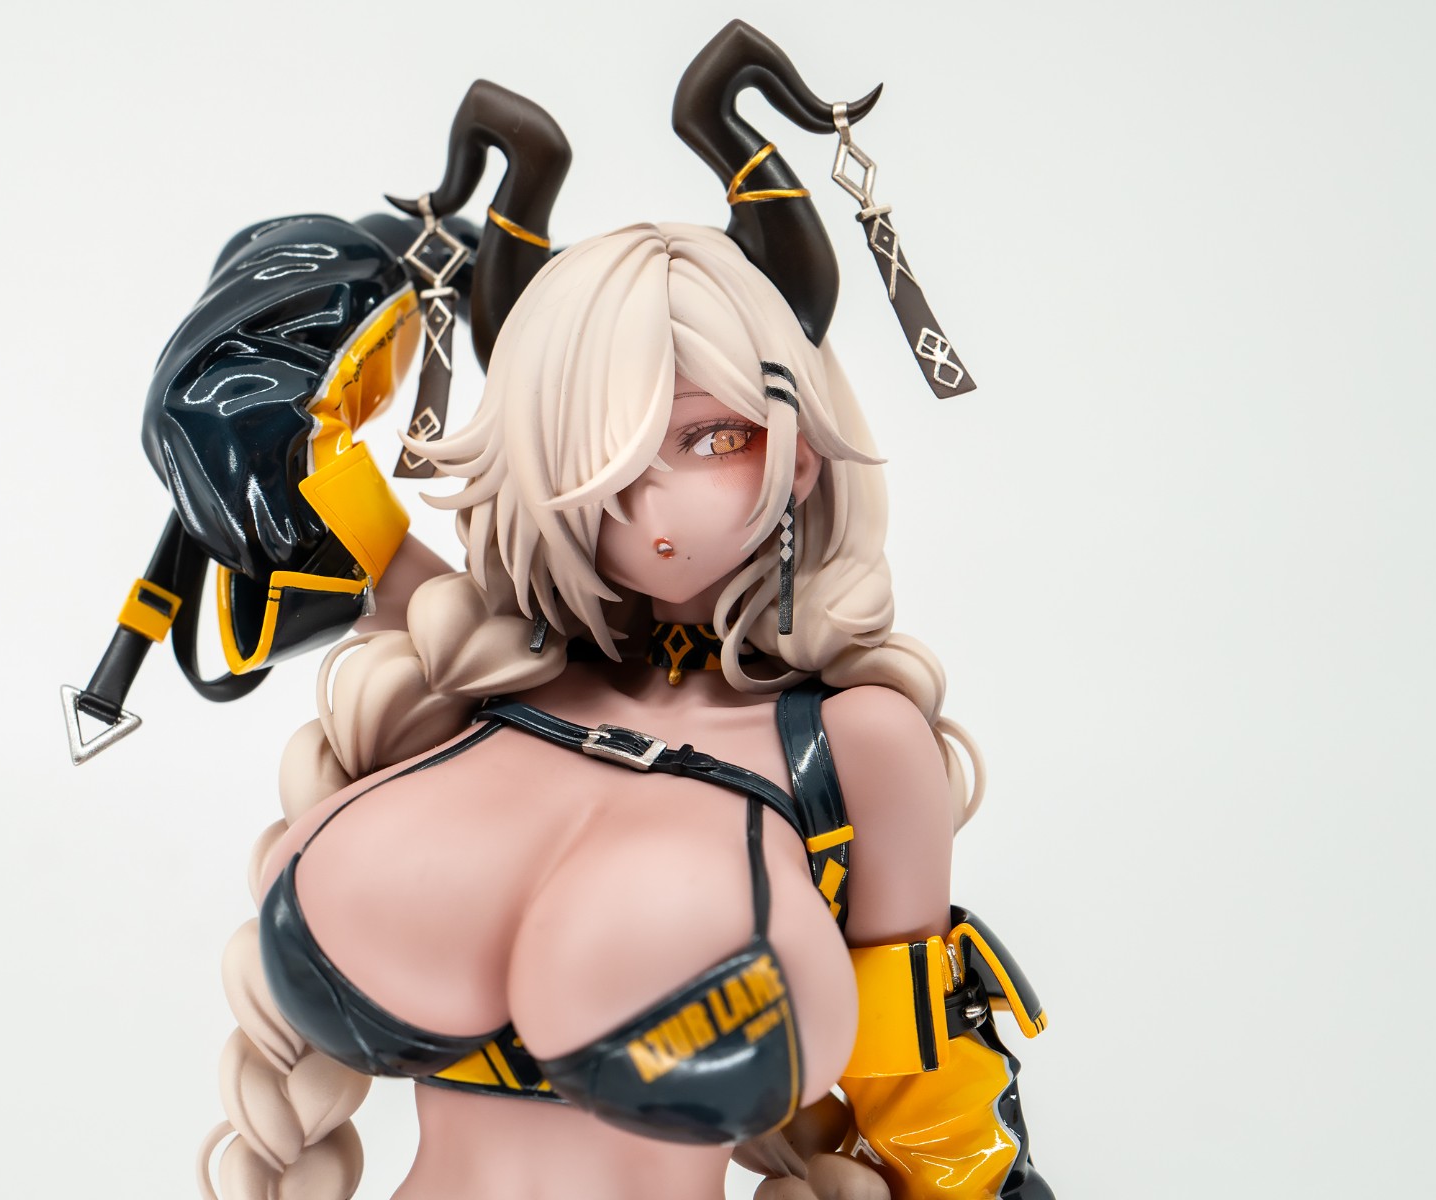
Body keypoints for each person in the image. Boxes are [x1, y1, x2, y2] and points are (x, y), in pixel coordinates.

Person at [194, 24, 1051, 1200]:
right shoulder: (478, 670)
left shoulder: (849, 749)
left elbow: (924, 1094)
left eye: (707, 437)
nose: (641, 500)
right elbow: (304, 483)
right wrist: (283, 355)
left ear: (798, 456)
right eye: (595, 447)